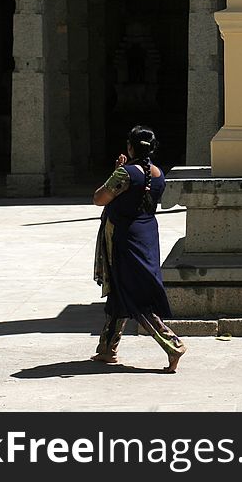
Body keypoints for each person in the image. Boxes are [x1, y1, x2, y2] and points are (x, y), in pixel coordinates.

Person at [91, 125, 186, 372]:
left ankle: (172, 344)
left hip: (124, 238)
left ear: (130, 147)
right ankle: (107, 350)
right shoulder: (157, 173)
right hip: (145, 236)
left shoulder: (125, 173)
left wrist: (116, 172)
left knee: (133, 296)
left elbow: (99, 198)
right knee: (121, 292)